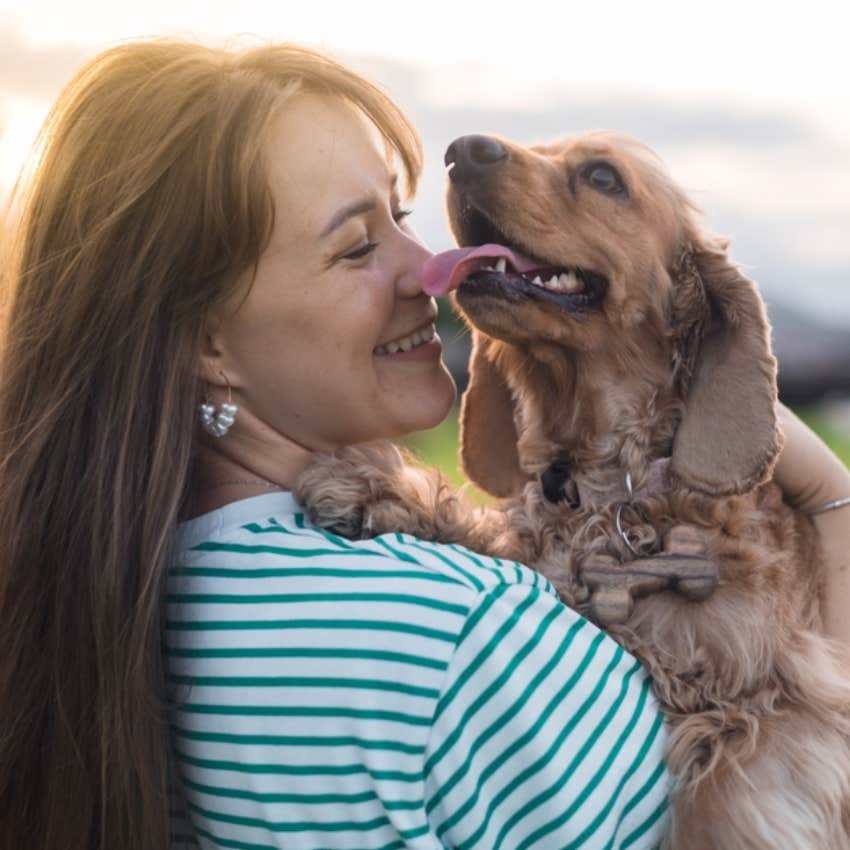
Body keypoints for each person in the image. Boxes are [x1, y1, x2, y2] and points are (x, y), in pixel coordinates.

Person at [0, 40, 847, 850]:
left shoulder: (113, 585)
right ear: (206, 342)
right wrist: (834, 500)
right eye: (356, 245)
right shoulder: (452, 633)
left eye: (402, 218)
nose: (427, 268)